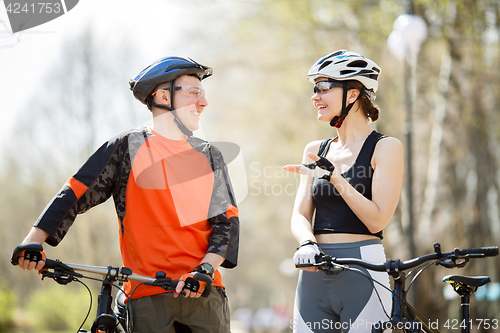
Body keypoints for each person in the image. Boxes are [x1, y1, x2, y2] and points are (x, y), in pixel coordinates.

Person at [13, 56, 240, 333]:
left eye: (202, 95)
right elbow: (75, 192)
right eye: (194, 93)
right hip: (147, 295)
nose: (203, 103)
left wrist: (204, 270)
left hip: (204, 296)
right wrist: (33, 242)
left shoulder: (209, 155)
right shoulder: (127, 147)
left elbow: (226, 222)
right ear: (163, 96)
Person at [283, 50, 404, 333]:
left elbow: (377, 220)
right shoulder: (315, 150)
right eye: (315, 88)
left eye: (324, 88)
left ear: (352, 95)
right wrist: (306, 243)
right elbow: (300, 215)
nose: (315, 96)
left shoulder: (386, 147)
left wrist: (336, 178)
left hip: (364, 269)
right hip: (313, 269)